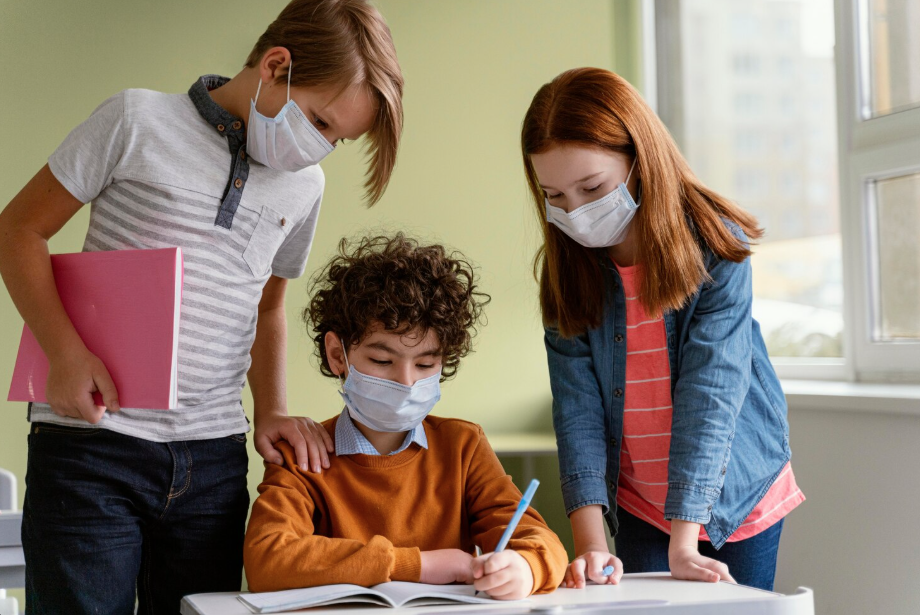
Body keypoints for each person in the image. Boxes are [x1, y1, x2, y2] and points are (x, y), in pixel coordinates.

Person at [0, 1, 403, 612]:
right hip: (92, 447)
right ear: (275, 65)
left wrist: (271, 411)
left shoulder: (305, 185)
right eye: (320, 122)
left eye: (337, 141)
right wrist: (64, 353)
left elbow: (269, 307)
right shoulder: (134, 120)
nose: (320, 149)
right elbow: (18, 233)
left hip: (212, 460)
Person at [519, 67, 805, 592]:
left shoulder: (715, 248)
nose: (575, 213)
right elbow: (576, 409)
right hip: (640, 502)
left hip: (738, 490)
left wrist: (685, 539)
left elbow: (712, 390)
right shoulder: (568, 274)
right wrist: (590, 546)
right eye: (555, 196)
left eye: (592, 187)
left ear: (639, 160)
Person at [243, 234, 568, 600]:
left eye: (426, 363)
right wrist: (420, 566)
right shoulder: (302, 455)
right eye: (383, 361)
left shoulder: (463, 447)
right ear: (338, 356)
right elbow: (266, 560)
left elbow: (544, 545)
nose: (406, 381)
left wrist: (525, 568)